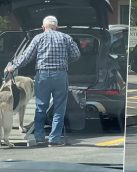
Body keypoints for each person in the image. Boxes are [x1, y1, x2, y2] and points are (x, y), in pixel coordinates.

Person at [5, 15, 81, 147]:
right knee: (59, 108)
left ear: (43, 27)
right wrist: (65, 59)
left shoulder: (38, 38)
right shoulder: (65, 37)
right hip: (60, 75)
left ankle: (39, 137)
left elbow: (26, 56)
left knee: (40, 107)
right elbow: (76, 55)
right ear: (57, 26)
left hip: (43, 76)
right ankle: (54, 139)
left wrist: (13, 66)